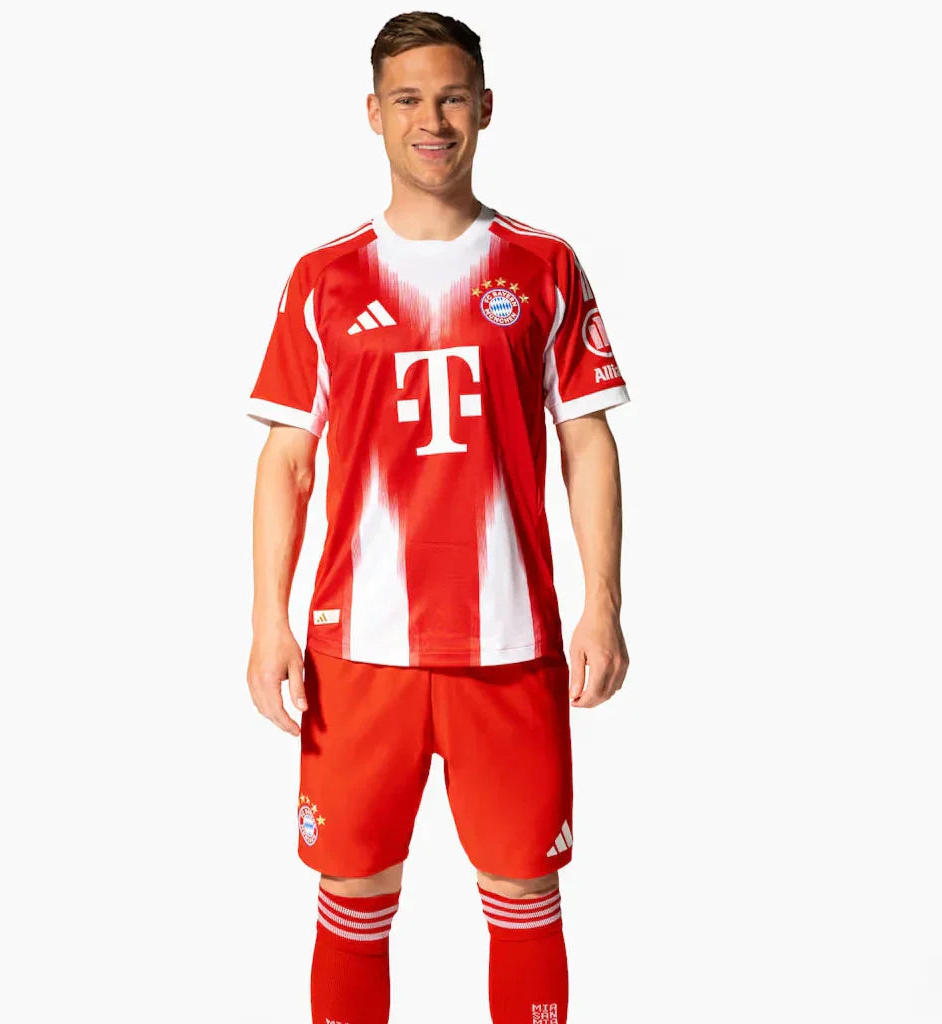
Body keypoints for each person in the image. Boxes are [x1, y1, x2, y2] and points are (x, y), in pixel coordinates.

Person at [245, 11, 630, 1024]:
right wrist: (268, 620)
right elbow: (287, 459)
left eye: (453, 97)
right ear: (372, 114)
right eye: (409, 99)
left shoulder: (543, 264)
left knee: (523, 889)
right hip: (357, 647)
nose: (433, 120)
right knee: (354, 890)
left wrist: (601, 606)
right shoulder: (323, 277)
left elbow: (588, 440)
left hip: (510, 642)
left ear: (486, 108)